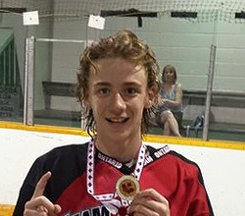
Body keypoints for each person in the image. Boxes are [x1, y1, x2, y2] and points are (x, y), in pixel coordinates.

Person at [13, 30, 214, 216]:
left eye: (130, 90)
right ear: (86, 96)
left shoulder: (184, 178)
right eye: (103, 90)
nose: (117, 105)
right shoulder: (52, 169)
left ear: (150, 95)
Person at [157, 65, 183, 137]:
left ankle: (166, 143)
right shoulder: (160, 87)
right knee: (167, 113)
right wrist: (158, 100)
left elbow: (178, 103)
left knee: (167, 124)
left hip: (176, 114)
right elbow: (157, 99)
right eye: (166, 72)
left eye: (171, 72)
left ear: (174, 75)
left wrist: (167, 101)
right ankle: (178, 136)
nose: (168, 74)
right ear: (164, 74)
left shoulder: (178, 87)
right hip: (162, 114)